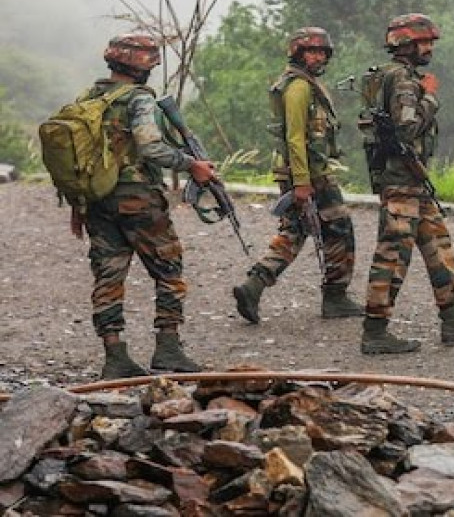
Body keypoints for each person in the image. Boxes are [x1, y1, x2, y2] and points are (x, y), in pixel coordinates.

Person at [76, 33, 215, 378]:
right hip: (138, 198)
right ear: (140, 64)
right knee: (169, 268)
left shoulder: (89, 98)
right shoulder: (138, 100)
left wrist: (78, 205)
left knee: (108, 274)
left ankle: (115, 356)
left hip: (97, 200)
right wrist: (190, 165)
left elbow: (80, 157)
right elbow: (151, 148)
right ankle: (168, 347)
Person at [359, 13, 454, 354]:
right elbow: (406, 129)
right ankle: (375, 332)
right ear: (406, 44)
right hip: (402, 181)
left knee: (439, 248)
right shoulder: (404, 81)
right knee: (393, 256)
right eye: (424, 42)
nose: (430, 47)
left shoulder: (388, 77)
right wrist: (431, 97)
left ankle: (453, 319)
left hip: (413, 181)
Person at [231, 28, 362, 324]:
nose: (318, 57)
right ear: (298, 54)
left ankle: (253, 286)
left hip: (304, 172)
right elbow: (295, 137)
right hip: (308, 174)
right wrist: (302, 182)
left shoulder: (303, 84)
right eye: (311, 52)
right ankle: (336, 297)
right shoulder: (299, 88)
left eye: (322, 52)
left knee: (295, 231)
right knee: (339, 229)